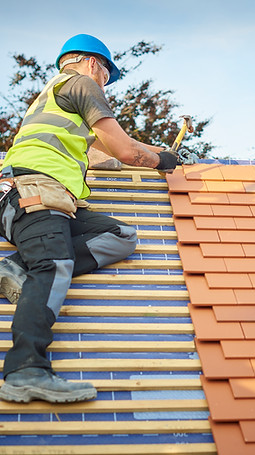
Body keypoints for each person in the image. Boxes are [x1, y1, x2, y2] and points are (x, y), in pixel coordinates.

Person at [0, 34, 178, 403]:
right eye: (106, 76)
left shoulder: (55, 97)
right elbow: (125, 149)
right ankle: (25, 369)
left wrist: (155, 151)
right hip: (35, 192)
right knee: (53, 265)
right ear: (92, 62)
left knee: (120, 236)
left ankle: (15, 266)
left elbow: (104, 148)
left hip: (38, 197)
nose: (104, 84)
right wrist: (162, 162)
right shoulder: (81, 83)